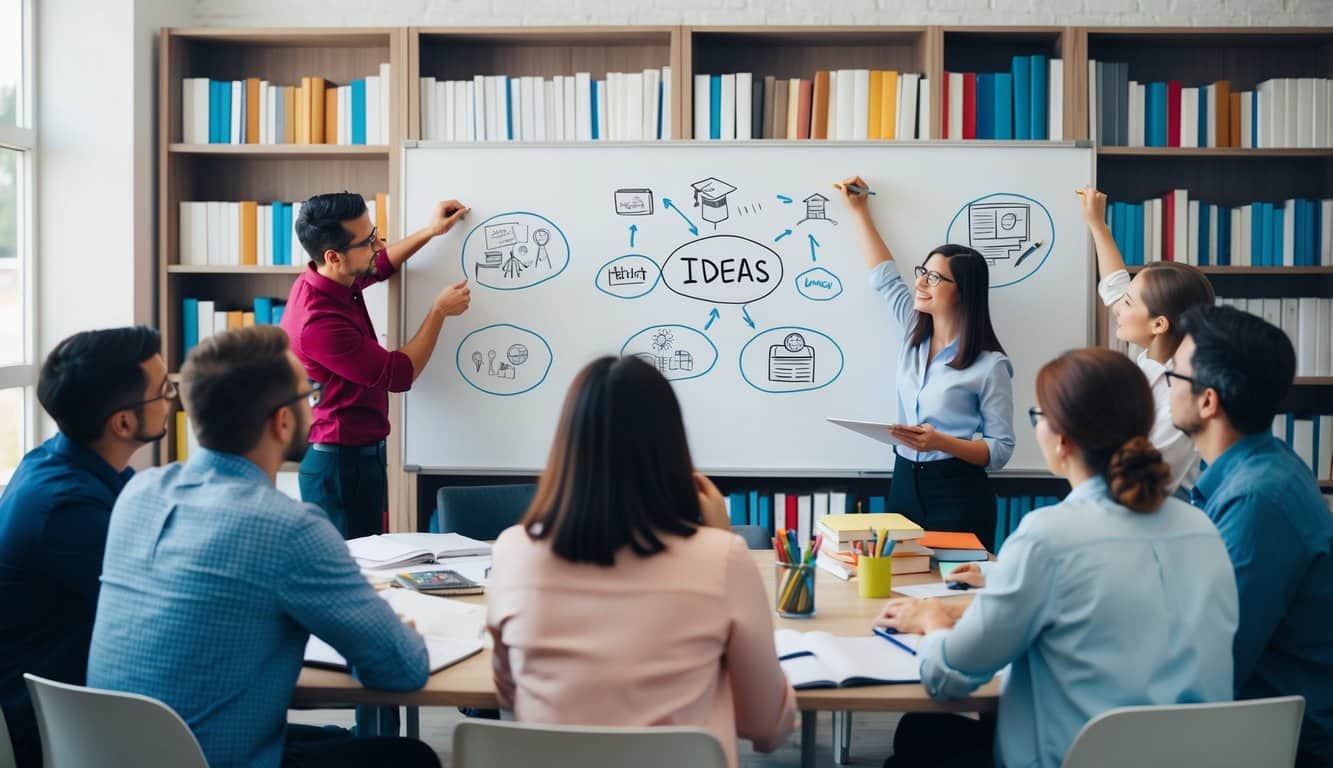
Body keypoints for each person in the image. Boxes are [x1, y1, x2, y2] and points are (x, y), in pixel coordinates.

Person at [87, 326, 439, 768]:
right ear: (283, 421)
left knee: (333, 738)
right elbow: (401, 669)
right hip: (210, 759)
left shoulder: (139, 495)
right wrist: (394, 631)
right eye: (308, 393)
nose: (315, 401)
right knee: (410, 757)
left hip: (111, 753)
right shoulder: (288, 529)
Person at [878, 348, 1237, 768]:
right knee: (924, 734)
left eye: (1037, 416)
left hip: (1074, 757)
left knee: (916, 737)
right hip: (1189, 756)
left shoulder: (1046, 535)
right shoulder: (1203, 530)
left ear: (1062, 439)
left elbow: (946, 679)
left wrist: (932, 622)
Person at [486, 356, 797, 768]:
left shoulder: (513, 550)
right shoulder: (721, 558)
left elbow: (510, 693)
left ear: (567, 446)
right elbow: (766, 726)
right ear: (671, 448)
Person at [1170, 305, 1333, 767]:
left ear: (1208, 401)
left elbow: (1212, 663)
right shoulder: (1261, 468)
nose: (1166, 386)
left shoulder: (1259, 499)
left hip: (1274, 746)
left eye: (1174, 376)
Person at [0, 326, 170, 768]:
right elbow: (162, 609)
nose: (172, 398)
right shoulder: (65, 509)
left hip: (96, 706)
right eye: (164, 390)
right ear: (124, 422)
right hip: (67, 734)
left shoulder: (63, 462)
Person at [281, 192, 471, 539]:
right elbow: (398, 374)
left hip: (356, 459)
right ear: (334, 257)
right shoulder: (319, 322)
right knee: (352, 573)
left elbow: (379, 265)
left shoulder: (330, 278)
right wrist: (439, 311)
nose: (379, 244)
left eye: (375, 233)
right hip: (339, 468)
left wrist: (430, 232)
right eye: (368, 241)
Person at [841, 176, 1015, 551]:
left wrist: (941, 442)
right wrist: (859, 211)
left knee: (954, 592)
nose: (921, 282)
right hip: (903, 482)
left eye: (935, 277)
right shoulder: (912, 333)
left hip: (956, 490)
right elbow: (884, 277)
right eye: (923, 272)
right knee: (901, 582)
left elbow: (1000, 449)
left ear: (963, 291)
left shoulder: (990, 365)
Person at [1080, 186, 1214, 494]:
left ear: (1158, 324)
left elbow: (1145, 470)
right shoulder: (1150, 354)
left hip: (1156, 506)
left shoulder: (1182, 394)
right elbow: (1114, 287)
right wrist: (1097, 224)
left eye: (1128, 305)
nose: (1117, 309)